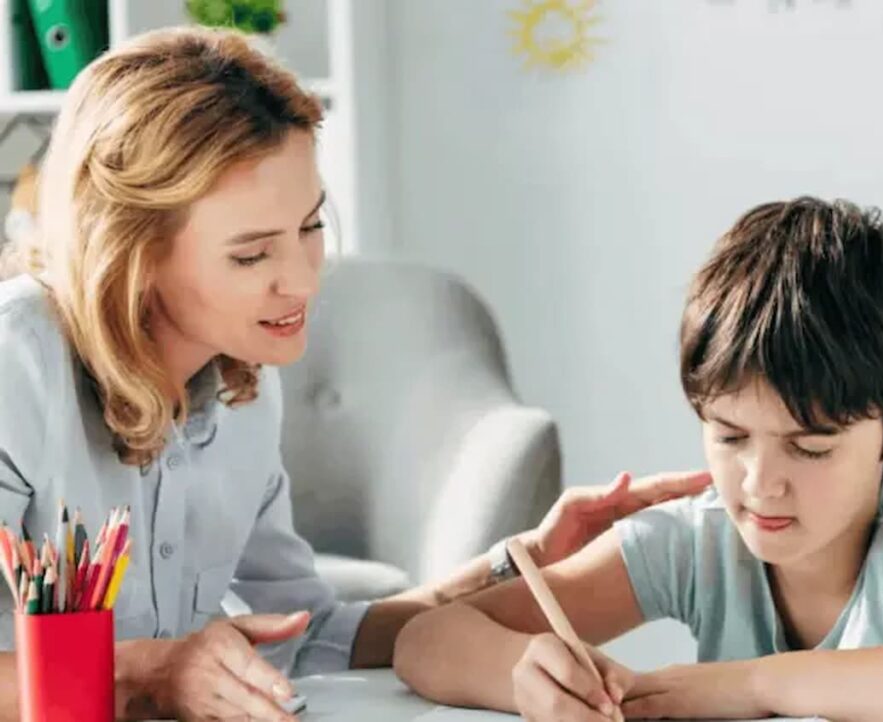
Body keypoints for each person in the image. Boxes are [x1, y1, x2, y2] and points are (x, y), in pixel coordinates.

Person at [0, 26, 714, 722]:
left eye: (310, 229)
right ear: (132, 250)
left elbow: (305, 634)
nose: (303, 282)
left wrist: (520, 564)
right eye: (251, 256)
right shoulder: (19, 361)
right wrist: (149, 672)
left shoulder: (243, 383)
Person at [393, 197, 883, 721]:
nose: (759, 485)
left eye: (809, 447)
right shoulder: (701, 536)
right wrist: (523, 678)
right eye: (729, 437)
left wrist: (755, 685)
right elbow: (427, 639)